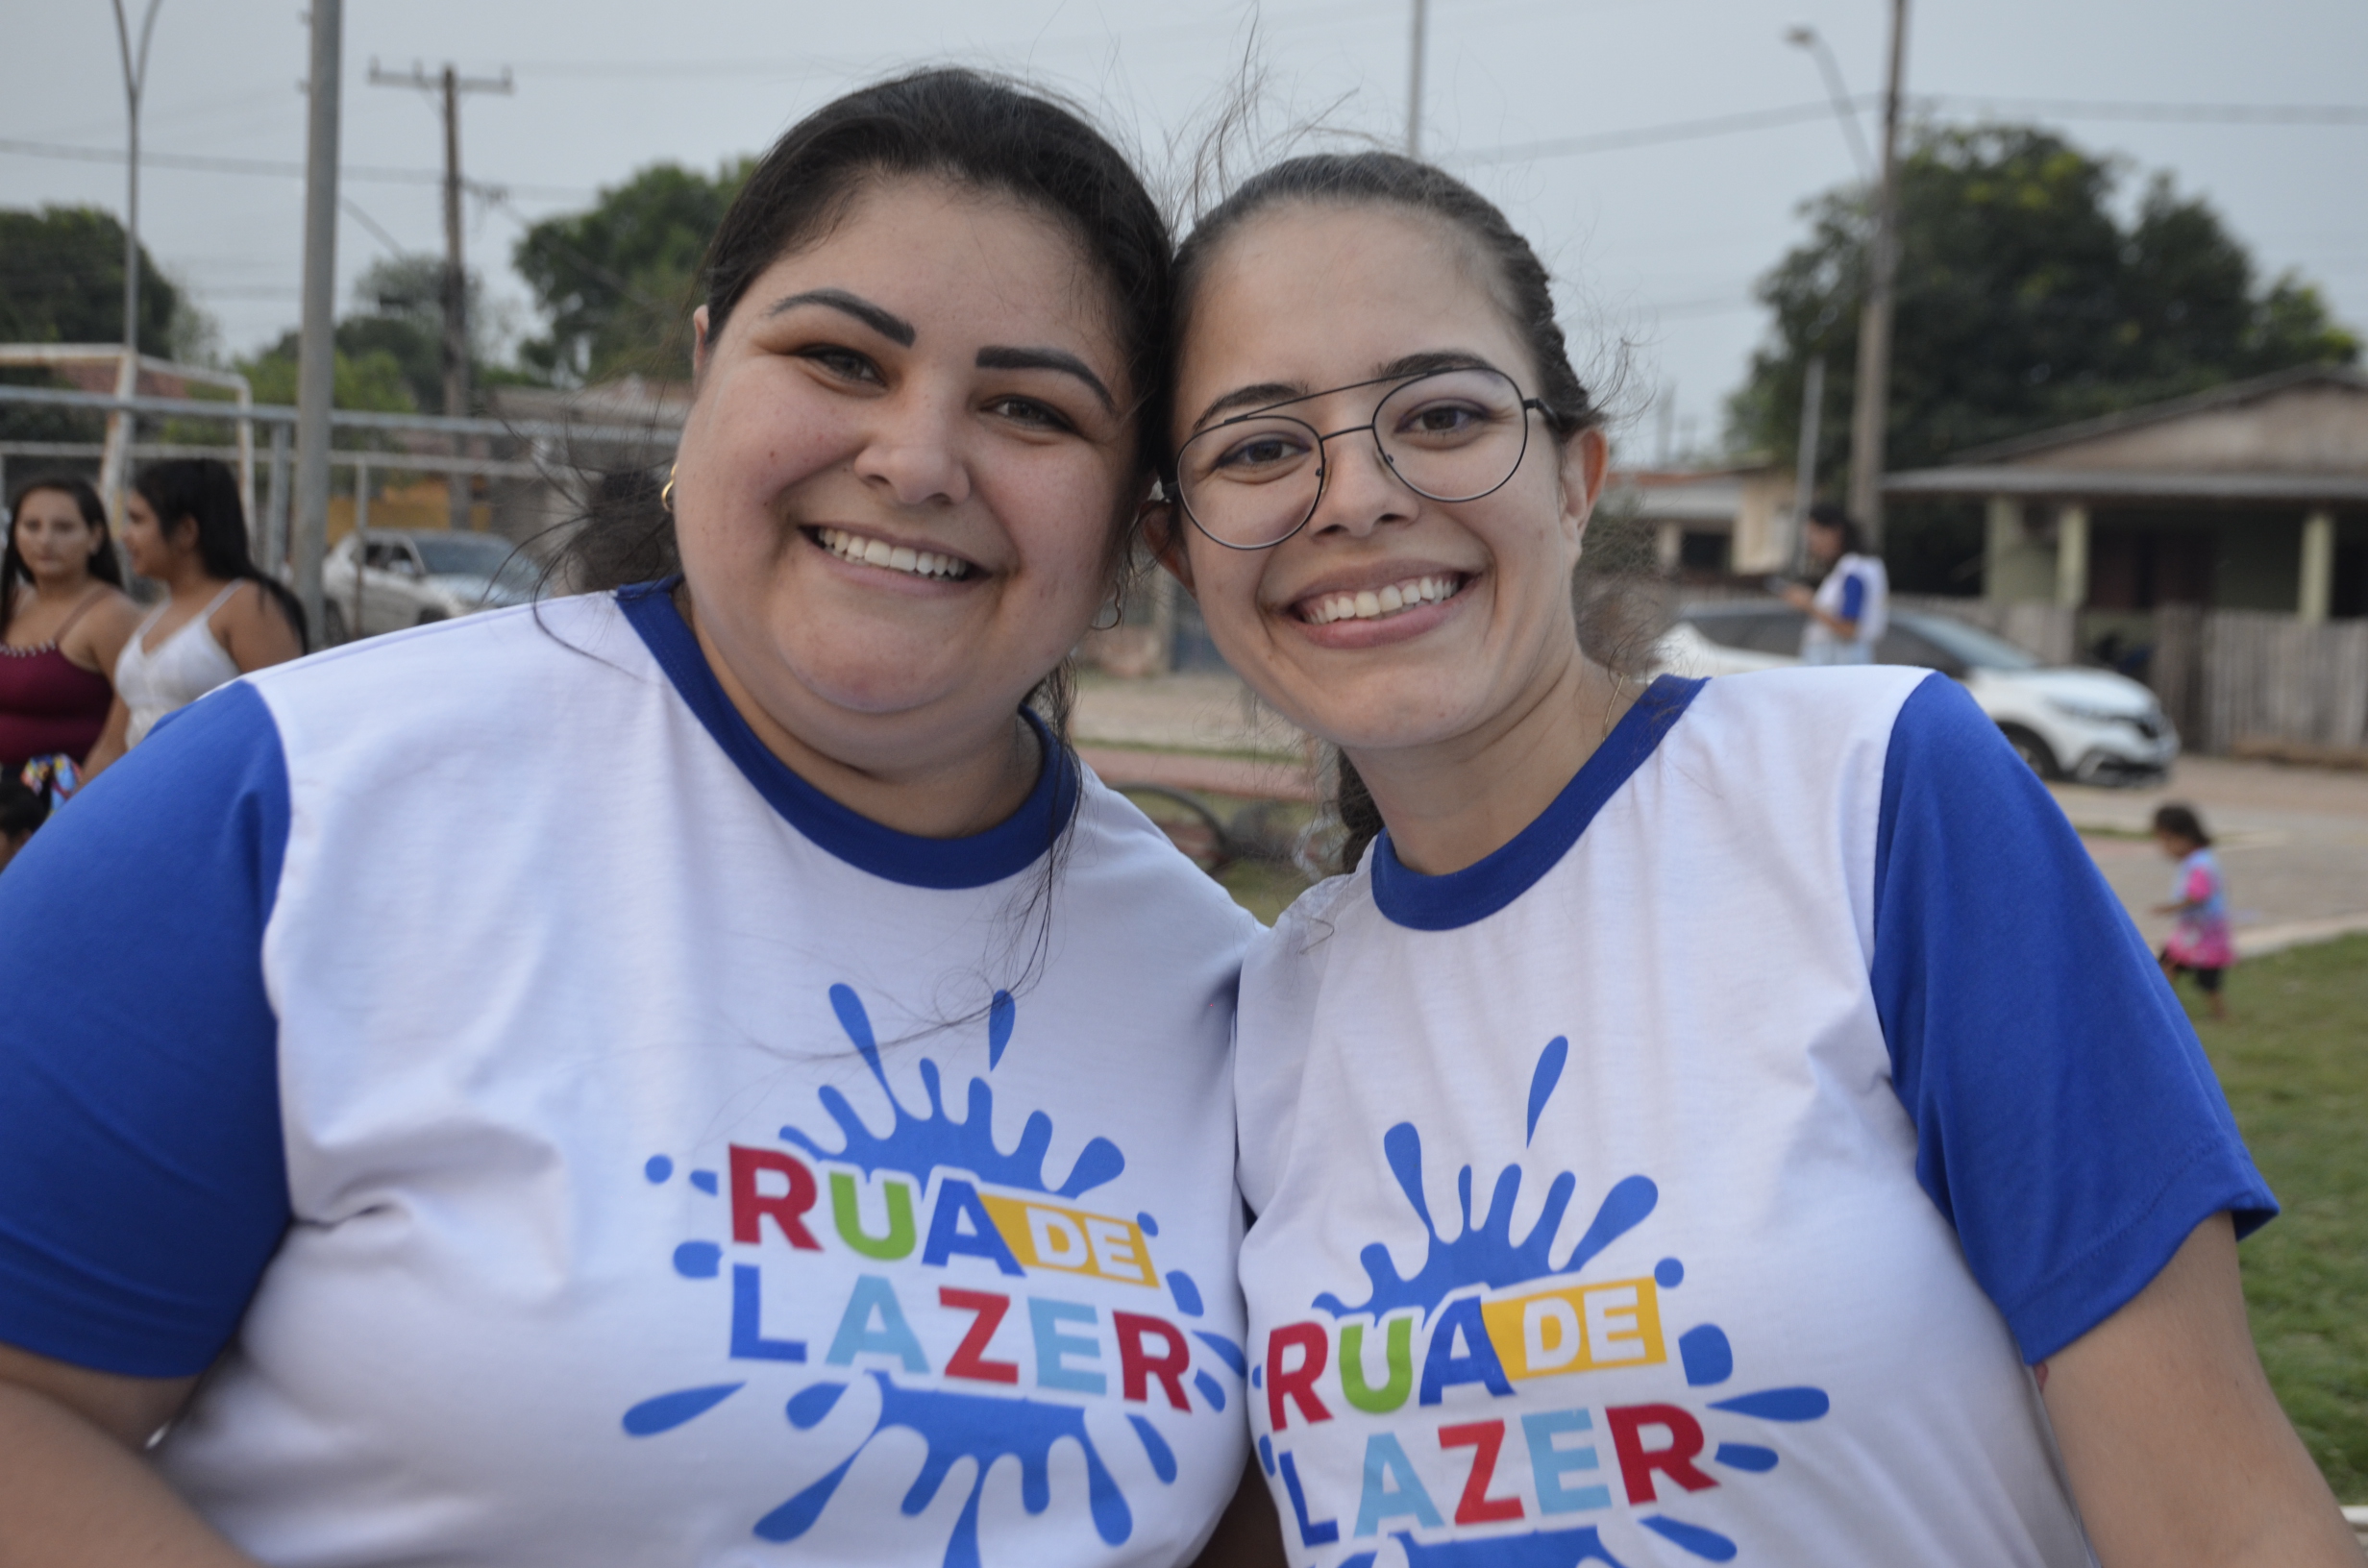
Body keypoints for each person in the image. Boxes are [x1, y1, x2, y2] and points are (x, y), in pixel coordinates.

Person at [0, 71, 1272, 1568]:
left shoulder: (1226, 992)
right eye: (841, 358)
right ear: (704, 371)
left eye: (1027, 406)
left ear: (1135, 520)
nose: (919, 460)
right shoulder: (301, 800)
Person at [1150, 151, 2356, 1565]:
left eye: (1442, 413)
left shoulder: (1876, 795)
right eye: (1257, 447)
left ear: (1579, 474)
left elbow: (2224, 1527)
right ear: (1181, 555)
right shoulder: (1273, 1007)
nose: (1354, 495)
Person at [79, 458, 307, 778]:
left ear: (186, 530)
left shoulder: (247, 606)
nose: (125, 536)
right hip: (144, 806)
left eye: (137, 520)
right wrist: (71, 820)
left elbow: (286, 727)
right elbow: (112, 745)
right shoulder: (152, 617)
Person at [0, 474, 140, 775]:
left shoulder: (111, 614)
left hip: (69, 801)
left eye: (63, 528)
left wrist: (78, 809)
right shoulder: (11, 602)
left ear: (96, 537)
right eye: (31, 526)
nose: (45, 540)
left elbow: (134, 722)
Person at [2154, 802, 2232, 1021]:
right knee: (2168, 964)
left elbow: (2198, 895)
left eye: (2168, 840)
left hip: (2201, 934)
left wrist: (2169, 908)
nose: (2165, 848)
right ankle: (2158, 1005)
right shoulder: (2200, 859)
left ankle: (2220, 1014)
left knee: (2205, 977)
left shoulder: (2200, 864)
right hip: (2195, 932)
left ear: (2186, 836)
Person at [1782, 500, 1887, 664]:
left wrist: (1808, 605)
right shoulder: (1856, 567)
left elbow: (1849, 629)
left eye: (1814, 534)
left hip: (1838, 661)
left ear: (1834, 531)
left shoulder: (1854, 570)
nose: (1812, 544)